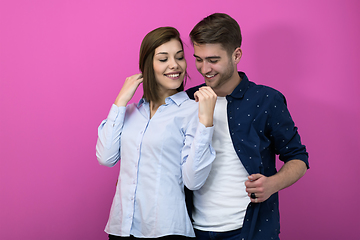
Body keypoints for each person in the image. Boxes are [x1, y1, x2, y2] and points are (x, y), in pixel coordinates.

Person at [185, 13, 309, 240]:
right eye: (198, 59)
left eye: (213, 60)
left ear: (236, 55)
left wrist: (272, 184)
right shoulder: (187, 101)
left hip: (251, 230)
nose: (204, 69)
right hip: (193, 229)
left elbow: (299, 158)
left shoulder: (267, 100)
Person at [96, 27, 217, 239]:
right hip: (121, 228)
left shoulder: (191, 111)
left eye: (179, 57)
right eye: (163, 59)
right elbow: (106, 158)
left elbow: (193, 180)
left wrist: (206, 122)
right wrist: (120, 101)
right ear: (147, 65)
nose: (174, 65)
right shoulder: (130, 111)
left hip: (165, 229)